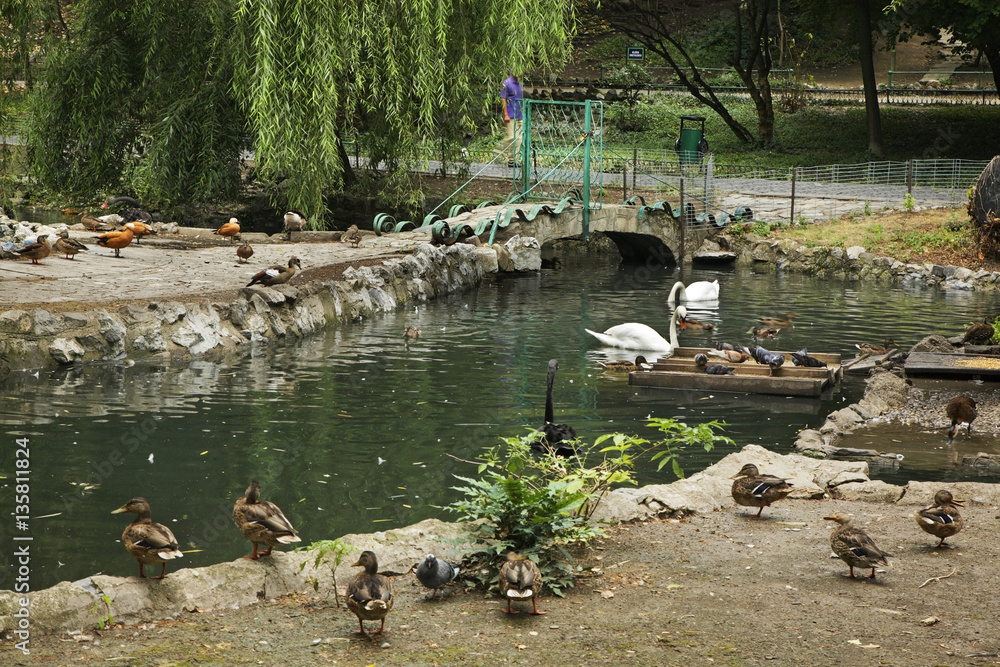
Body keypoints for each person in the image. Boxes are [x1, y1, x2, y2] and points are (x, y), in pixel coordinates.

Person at [500, 72, 523, 163]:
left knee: (519, 139)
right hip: (510, 115)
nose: (522, 73)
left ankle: (512, 160)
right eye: (520, 71)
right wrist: (505, 114)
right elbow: (503, 99)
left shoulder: (519, 83)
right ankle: (499, 150)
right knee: (513, 137)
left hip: (519, 115)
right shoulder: (507, 83)